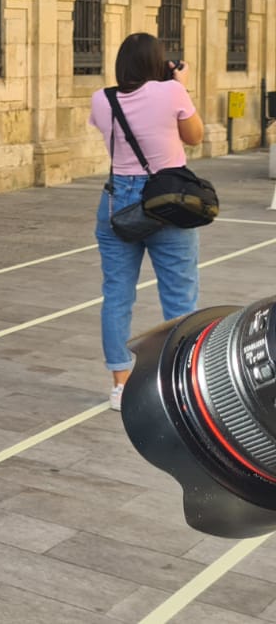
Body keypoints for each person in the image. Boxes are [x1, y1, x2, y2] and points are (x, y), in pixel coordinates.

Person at [89, 32, 203, 410]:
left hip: (117, 202)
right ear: (160, 63)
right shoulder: (171, 92)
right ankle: (179, 382)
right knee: (179, 297)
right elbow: (195, 137)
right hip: (168, 200)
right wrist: (181, 87)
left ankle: (120, 385)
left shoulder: (101, 99)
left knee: (117, 295)